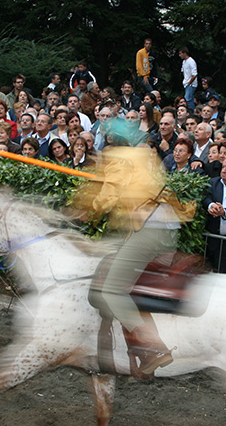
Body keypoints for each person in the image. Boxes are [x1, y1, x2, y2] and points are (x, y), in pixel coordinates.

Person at [73, 146, 195, 376]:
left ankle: (153, 347)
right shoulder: (135, 158)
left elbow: (108, 195)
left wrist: (86, 211)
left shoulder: (118, 162)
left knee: (111, 290)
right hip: (160, 228)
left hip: (151, 230)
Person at [179, 47, 198, 111]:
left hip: (191, 84)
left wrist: (189, 83)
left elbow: (194, 74)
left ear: (185, 53)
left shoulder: (191, 61)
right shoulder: (184, 62)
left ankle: (191, 112)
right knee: (190, 99)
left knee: (187, 99)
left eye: (180, 53)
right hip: (186, 83)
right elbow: (183, 71)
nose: (180, 55)